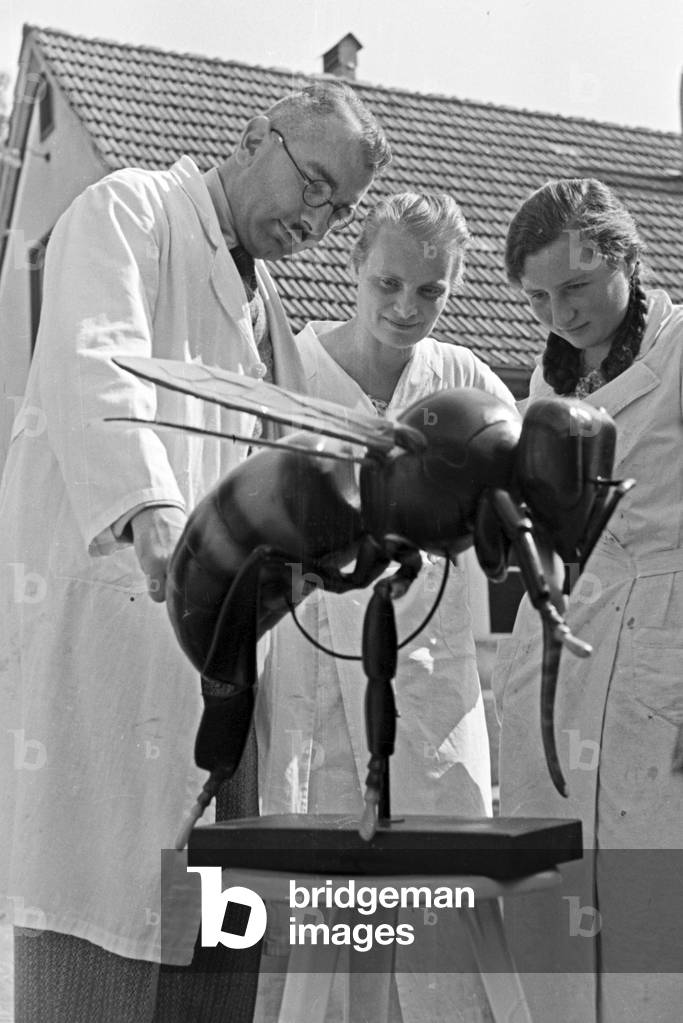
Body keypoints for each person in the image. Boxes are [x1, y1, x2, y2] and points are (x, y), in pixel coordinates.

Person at [0, 80, 389, 1023]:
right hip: (124, 655)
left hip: (229, 685)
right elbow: (98, 363)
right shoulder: (132, 211)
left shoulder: (269, 315)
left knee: (214, 960)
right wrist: (152, 514)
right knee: (102, 952)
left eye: (338, 209)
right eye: (312, 183)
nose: (317, 219)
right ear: (254, 136)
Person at [254, 192, 518, 1023]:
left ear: (454, 288)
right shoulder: (289, 369)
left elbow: (512, 510)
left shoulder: (466, 383)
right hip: (312, 671)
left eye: (431, 290)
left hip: (431, 677)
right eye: (388, 283)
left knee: (444, 897)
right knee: (323, 914)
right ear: (353, 267)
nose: (407, 306)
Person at [492, 178, 683, 1023]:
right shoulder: (549, 375)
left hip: (663, 633)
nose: (558, 313)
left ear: (625, 258)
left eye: (574, 286)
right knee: (558, 898)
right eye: (537, 298)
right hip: (564, 644)